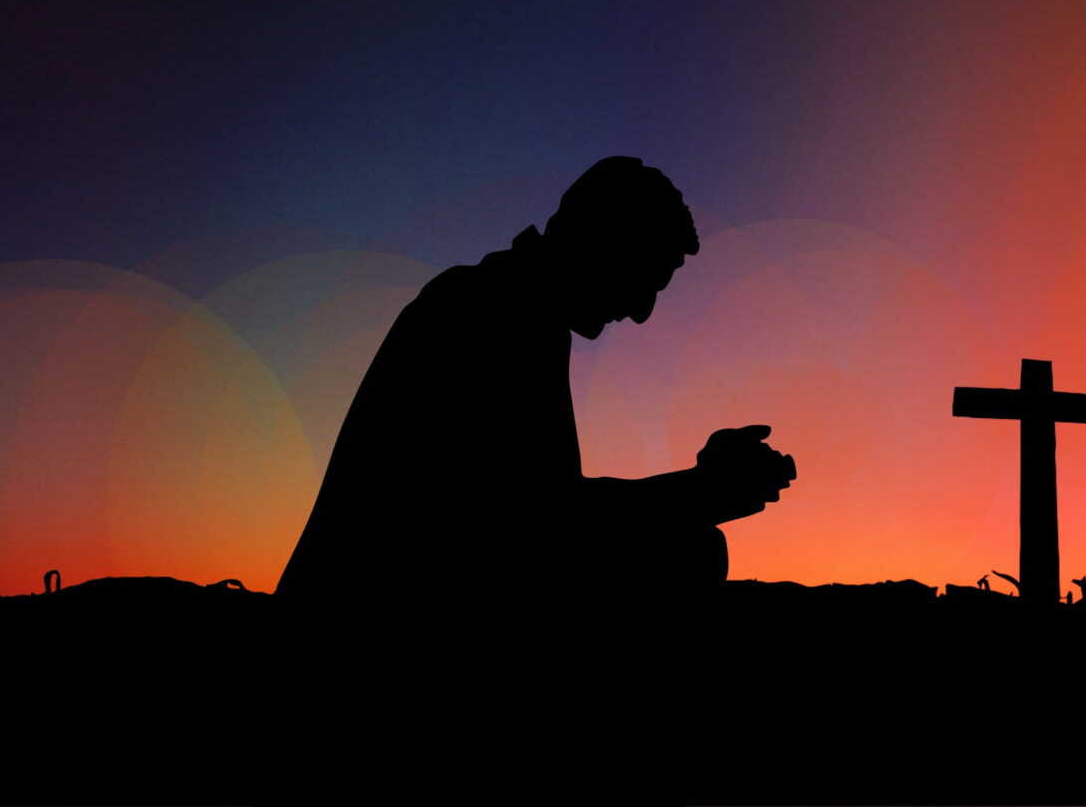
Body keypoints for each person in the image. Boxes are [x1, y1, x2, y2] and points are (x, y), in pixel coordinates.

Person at [275, 156, 793, 601]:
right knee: (688, 552)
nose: (641, 312)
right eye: (643, 280)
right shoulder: (491, 308)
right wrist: (699, 490)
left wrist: (698, 486)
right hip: (378, 594)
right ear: (600, 241)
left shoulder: (515, 305)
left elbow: (539, 506)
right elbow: (530, 525)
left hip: (412, 576)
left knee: (690, 547)